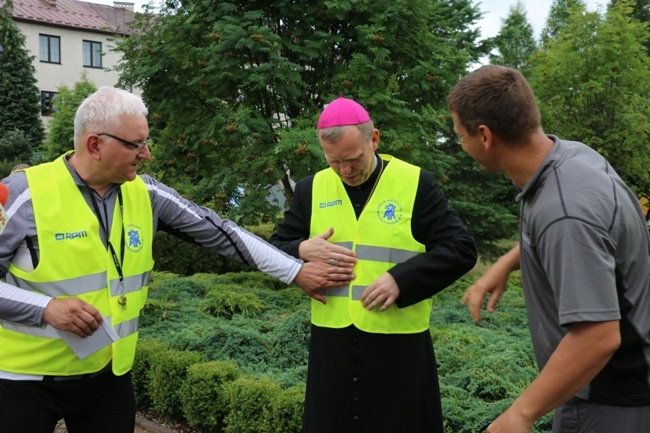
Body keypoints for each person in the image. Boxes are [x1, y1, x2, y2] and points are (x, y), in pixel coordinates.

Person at [0, 86, 353, 433]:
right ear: (95, 145)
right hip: (22, 383)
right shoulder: (23, 195)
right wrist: (46, 308)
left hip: (108, 379)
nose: (147, 154)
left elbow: (223, 233)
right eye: (136, 144)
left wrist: (295, 271)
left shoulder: (147, 193)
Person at [448, 65, 650, 433]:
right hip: (609, 391)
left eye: (460, 135)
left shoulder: (563, 211)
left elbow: (598, 336)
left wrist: (519, 415)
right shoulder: (571, 157)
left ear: (485, 136)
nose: (461, 145)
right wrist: (510, 261)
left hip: (607, 400)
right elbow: (598, 240)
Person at [270, 96, 477, 433]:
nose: (345, 171)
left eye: (353, 159)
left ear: (374, 139)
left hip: (398, 350)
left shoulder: (415, 183)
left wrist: (402, 279)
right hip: (331, 350)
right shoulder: (310, 189)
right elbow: (275, 250)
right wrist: (301, 250)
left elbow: (461, 249)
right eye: (334, 162)